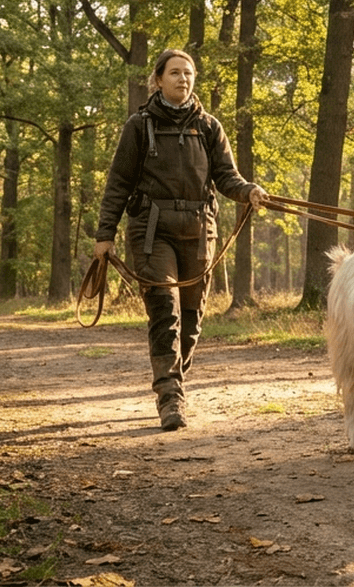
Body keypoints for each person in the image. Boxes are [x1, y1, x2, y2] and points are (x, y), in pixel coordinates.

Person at [94, 49, 267, 431]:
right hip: (152, 230)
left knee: (190, 319)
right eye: (174, 73)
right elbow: (118, 184)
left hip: (199, 230)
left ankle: (175, 381)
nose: (183, 79)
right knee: (165, 311)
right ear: (157, 80)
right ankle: (170, 399)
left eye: (188, 74)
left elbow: (227, 177)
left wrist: (248, 191)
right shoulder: (138, 126)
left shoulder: (208, 126)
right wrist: (105, 235)